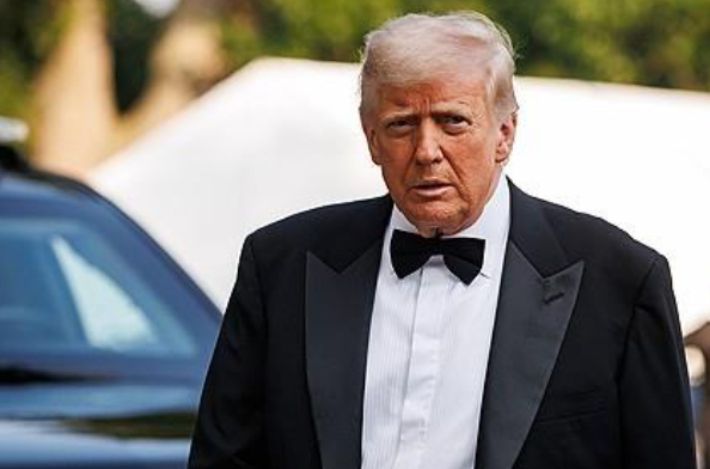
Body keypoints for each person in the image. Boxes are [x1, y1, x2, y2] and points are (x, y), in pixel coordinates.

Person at [188, 11, 696, 469]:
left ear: (505, 134)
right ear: (371, 139)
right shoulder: (281, 266)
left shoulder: (620, 281)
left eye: (453, 121)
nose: (426, 150)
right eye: (401, 125)